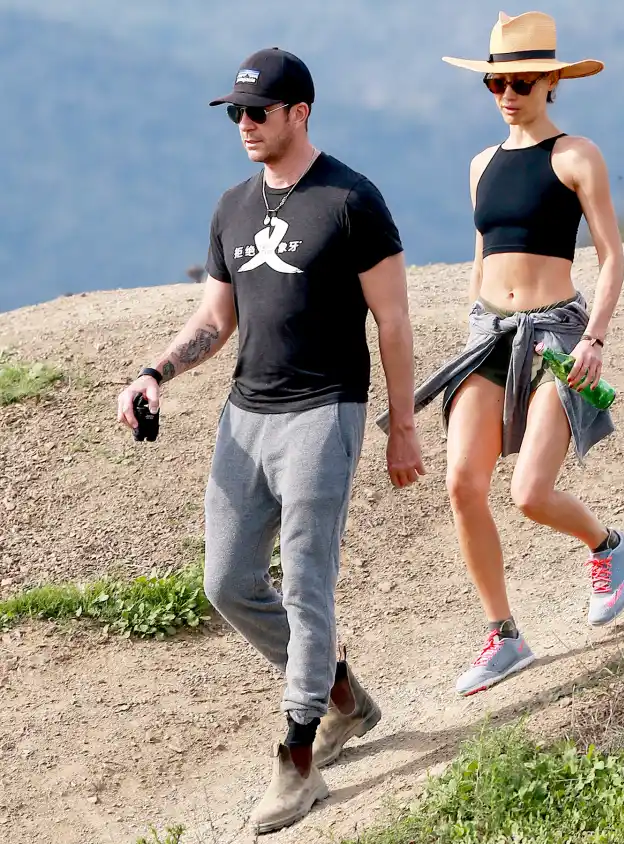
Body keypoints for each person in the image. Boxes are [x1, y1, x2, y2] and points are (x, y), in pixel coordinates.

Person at [116, 47, 425, 834]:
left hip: (326, 410)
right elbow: (216, 320)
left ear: (300, 113)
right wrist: (156, 371)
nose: (245, 125)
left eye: (258, 112)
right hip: (245, 413)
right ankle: (344, 698)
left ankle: (297, 763)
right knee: (226, 582)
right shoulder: (232, 207)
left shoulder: (354, 200)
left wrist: (402, 427)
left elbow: (391, 319)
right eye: (236, 114)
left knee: (308, 582)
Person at [378, 11, 624, 697]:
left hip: (556, 333)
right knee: (462, 484)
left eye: (521, 80)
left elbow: (612, 257)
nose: (507, 93)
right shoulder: (480, 166)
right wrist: (472, 329)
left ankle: (608, 546)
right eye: (496, 81)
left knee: (529, 492)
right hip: (488, 335)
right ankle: (505, 636)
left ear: (551, 81)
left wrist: (597, 337)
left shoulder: (575, 156)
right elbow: (480, 260)